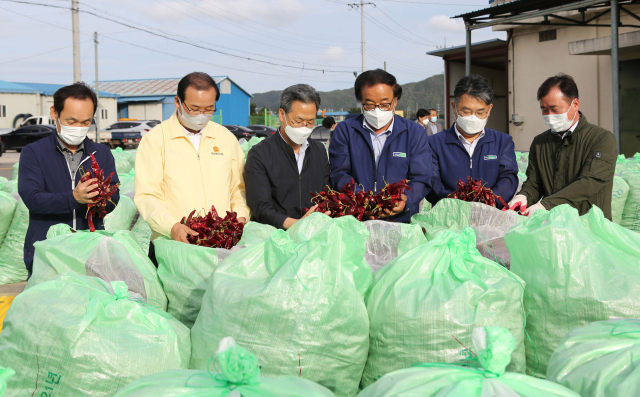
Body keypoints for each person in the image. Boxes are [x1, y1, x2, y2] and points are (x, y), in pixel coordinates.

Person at [134, 72, 250, 261]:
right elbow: (147, 194)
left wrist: (240, 217)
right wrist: (171, 226)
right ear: (178, 102)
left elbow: (239, 188)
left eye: (209, 109)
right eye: (194, 108)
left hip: (219, 244)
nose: (201, 115)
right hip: (172, 245)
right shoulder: (156, 140)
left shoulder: (225, 138)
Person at [18, 82, 119, 276]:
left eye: (85, 122)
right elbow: (32, 198)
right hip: (47, 252)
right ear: (54, 113)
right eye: (71, 122)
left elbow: (114, 196)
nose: (78, 128)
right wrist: (73, 198)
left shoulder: (102, 153)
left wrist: (102, 200)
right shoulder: (34, 153)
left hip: (89, 253)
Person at [329, 69, 432, 223]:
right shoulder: (345, 131)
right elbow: (339, 173)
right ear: (361, 102)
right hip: (357, 221)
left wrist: (405, 200)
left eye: (385, 104)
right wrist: (364, 201)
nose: (377, 110)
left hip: (401, 222)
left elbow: (422, 177)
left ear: (395, 101)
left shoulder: (414, 132)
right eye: (370, 105)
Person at [508, 73, 616, 218]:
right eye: (544, 110)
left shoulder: (601, 139)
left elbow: (590, 182)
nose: (549, 115)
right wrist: (524, 197)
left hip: (589, 229)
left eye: (555, 109)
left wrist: (546, 205)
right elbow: (535, 183)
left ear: (575, 104)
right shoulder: (540, 143)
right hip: (553, 228)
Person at [245, 84, 331, 229]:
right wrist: (295, 224)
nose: (304, 127)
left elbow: (326, 194)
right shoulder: (260, 154)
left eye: (310, 122)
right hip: (276, 236)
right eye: (298, 121)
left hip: (314, 233)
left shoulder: (319, 151)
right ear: (281, 115)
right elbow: (261, 207)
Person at [427, 75, 518, 207]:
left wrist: (489, 202)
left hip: (490, 217)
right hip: (448, 217)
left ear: (489, 110)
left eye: (480, 112)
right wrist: (454, 202)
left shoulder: (502, 142)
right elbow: (431, 181)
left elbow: (508, 178)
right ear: (454, 107)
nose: (473, 118)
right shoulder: (434, 143)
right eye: (466, 111)